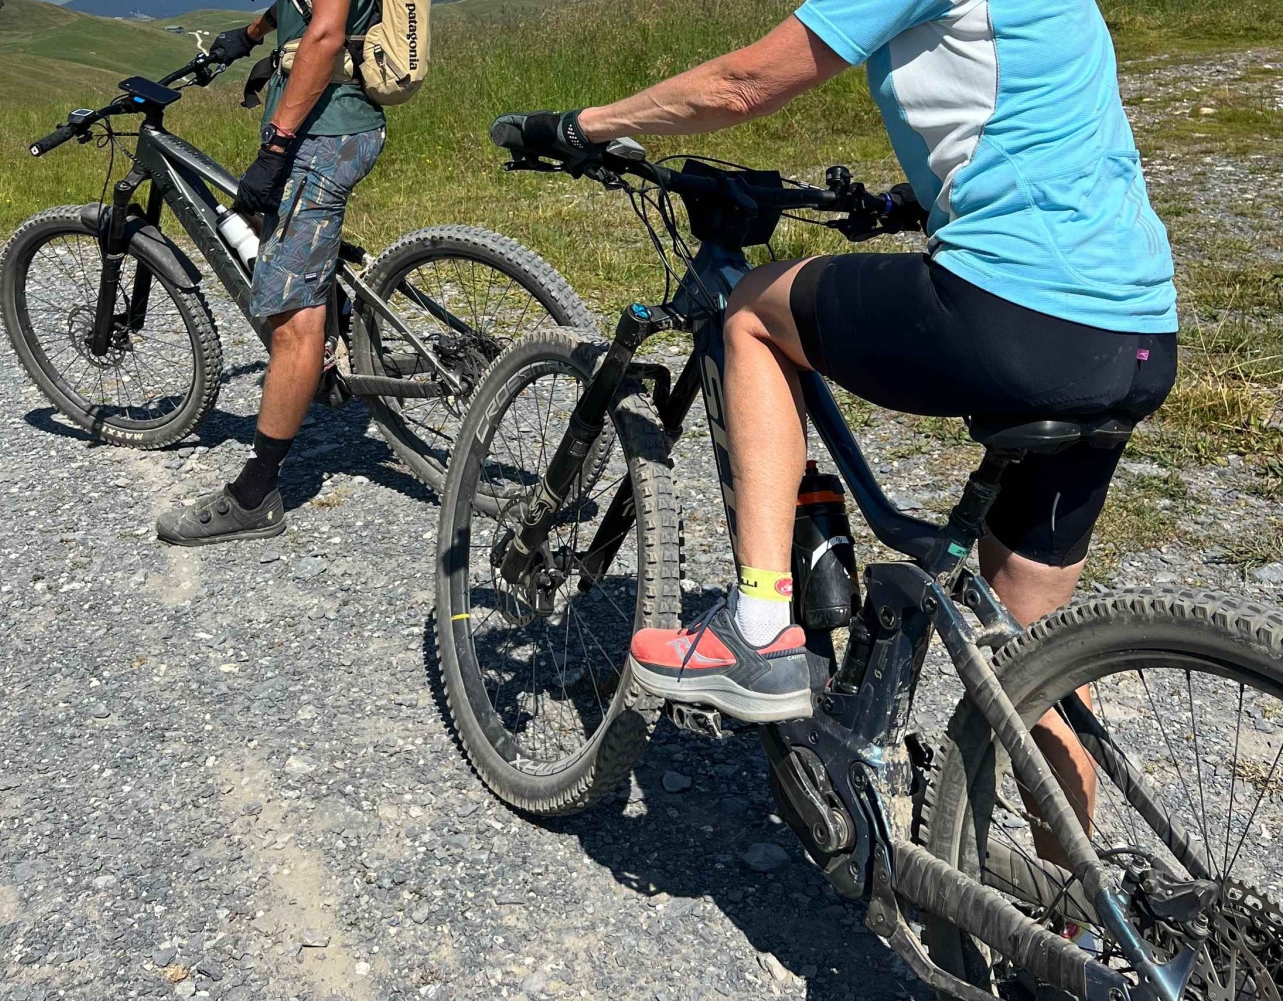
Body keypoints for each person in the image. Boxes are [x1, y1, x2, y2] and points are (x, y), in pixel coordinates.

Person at [498, 0, 1178, 847]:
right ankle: (1081, 922)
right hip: (1137, 333)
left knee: (750, 313)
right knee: (1027, 658)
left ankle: (758, 629)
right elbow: (1032, 129)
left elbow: (747, 83)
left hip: (1021, 311)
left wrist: (583, 125)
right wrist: (917, 200)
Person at [156, 0, 387, 546]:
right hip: (332, 127)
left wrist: (277, 146)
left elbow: (326, 34)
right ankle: (332, 335)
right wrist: (253, 33)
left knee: (290, 321)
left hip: (322, 137)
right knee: (275, 234)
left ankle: (256, 495)